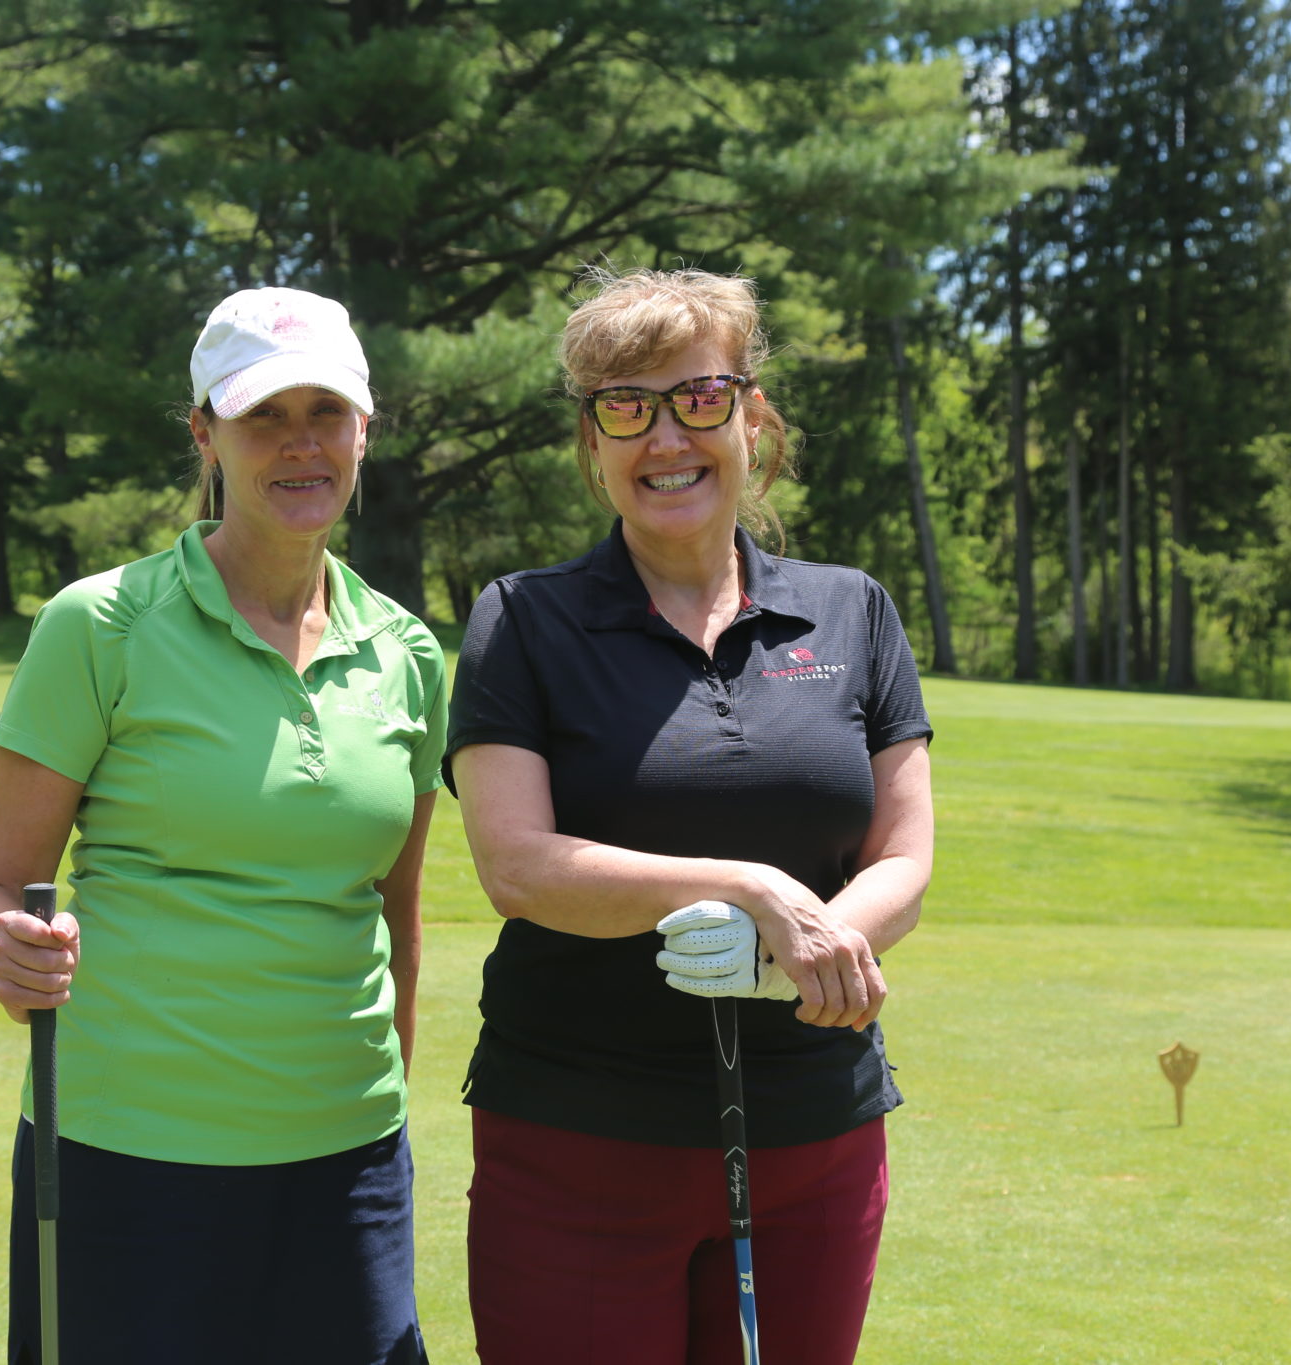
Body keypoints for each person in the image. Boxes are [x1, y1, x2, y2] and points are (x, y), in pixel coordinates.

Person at [445, 268, 935, 1365]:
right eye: (626, 406)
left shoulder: (851, 608)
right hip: (574, 1140)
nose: (665, 436)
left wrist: (811, 953)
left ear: (752, 416)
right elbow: (516, 865)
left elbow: (901, 853)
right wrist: (751, 890)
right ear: (591, 441)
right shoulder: (521, 619)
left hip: (816, 1135)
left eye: (699, 398)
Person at [0, 286, 447, 1365]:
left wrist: (388, 1126)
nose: (299, 443)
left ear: (366, 428)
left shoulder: (408, 652)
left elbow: (393, 923)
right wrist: (5, 952)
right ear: (204, 433)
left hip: (347, 1157)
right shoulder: (102, 624)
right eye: (263, 414)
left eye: (325, 411)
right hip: (124, 1155)